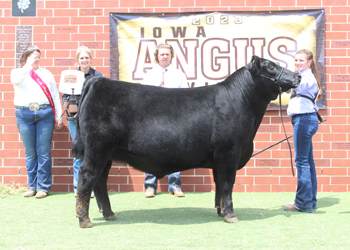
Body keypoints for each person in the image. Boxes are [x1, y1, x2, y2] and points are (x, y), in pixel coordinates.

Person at [11, 45, 63, 199]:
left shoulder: (46, 73)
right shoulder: (18, 72)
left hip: (44, 113)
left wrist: (58, 115)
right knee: (31, 153)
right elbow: (16, 80)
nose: (37, 59)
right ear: (26, 58)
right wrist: (28, 65)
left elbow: (54, 95)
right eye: (34, 56)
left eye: (39, 56)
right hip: (24, 114)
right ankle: (31, 186)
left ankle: (43, 187)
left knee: (44, 152)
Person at [143, 43, 188, 198]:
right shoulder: (149, 75)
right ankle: (150, 185)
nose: (164, 56)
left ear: (171, 55)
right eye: (161, 54)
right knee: (151, 151)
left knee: (176, 151)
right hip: (154, 119)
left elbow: (186, 97)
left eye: (167, 54)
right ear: (157, 56)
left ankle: (174, 185)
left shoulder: (179, 75)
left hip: (174, 118)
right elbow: (143, 97)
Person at [284, 49, 323, 213]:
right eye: (296, 60)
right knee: (308, 162)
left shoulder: (306, 76)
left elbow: (302, 84)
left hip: (304, 120)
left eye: (301, 60)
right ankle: (310, 201)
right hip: (306, 119)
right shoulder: (304, 75)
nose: (298, 63)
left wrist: (290, 80)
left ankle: (302, 203)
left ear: (309, 62)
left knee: (302, 162)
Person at [62, 46, 103, 198]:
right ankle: (77, 188)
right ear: (77, 60)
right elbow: (65, 95)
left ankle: (89, 187)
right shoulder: (72, 75)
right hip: (75, 119)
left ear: (91, 59)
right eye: (81, 58)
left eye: (87, 58)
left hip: (93, 120)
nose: (84, 60)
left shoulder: (97, 75)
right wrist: (68, 102)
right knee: (79, 152)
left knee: (91, 153)